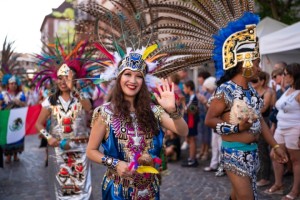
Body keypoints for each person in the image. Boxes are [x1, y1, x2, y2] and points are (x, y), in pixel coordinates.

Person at [203, 12, 288, 199]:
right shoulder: (225, 90)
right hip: (234, 154)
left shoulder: (251, 90)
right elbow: (209, 120)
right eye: (256, 63)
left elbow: (261, 123)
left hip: (253, 154)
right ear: (245, 63)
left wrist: (274, 146)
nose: (258, 68)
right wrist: (236, 127)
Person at [87, 61, 188, 199]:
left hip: (148, 190)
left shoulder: (154, 111)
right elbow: (91, 151)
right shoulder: (104, 113)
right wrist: (116, 164)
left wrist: (172, 110)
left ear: (143, 81)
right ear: (119, 78)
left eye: (138, 76)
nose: (133, 81)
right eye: (127, 74)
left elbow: (183, 131)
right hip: (117, 190)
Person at [35, 39, 96, 199]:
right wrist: (49, 138)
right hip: (58, 150)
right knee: (63, 188)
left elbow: (89, 108)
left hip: (81, 150)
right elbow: (38, 124)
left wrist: (73, 87)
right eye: (60, 78)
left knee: (82, 188)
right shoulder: (50, 101)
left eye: (67, 77)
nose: (63, 81)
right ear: (56, 80)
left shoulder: (82, 97)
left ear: (74, 79)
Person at [265, 63, 300, 200]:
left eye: (285, 74)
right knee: (275, 154)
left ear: (294, 75)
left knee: (296, 160)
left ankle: (295, 191)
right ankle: (278, 184)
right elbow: (277, 106)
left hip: (295, 128)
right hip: (281, 127)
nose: (283, 76)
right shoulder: (287, 90)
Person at [250, 71, 273, 187]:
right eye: (252, 80)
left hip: (264, 122)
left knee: (263, 149)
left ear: (262, 81)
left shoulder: (267, 92)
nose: (252, 82)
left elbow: (263, 109)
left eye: (255, 80)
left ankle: (265, 177)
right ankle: (257, 173)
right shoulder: (251, 92)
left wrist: (248, 113)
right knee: (255, 149)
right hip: (252, 123)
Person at [0, 74, 27, 163]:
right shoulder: (3, 94)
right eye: (11, 84)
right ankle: (8, 156)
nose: (13, 85)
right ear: (8, 85)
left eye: (15, 83)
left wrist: (18, 102)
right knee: (8, 137)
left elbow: (25, 105)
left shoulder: (21, 94)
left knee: (17, 137)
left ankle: (15, 155)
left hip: (17, 120)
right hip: (6, 121)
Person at [181, 80, 199, 167]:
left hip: (192, 121)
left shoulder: (194, 98)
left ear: (189, 88)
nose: (184, 90)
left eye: (184, 88)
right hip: (189, 121)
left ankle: (193, 159)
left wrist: (183, 103)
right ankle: (191, 158)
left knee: (192, 140)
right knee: (190, 140)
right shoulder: (190, 97)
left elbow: (192, 111)